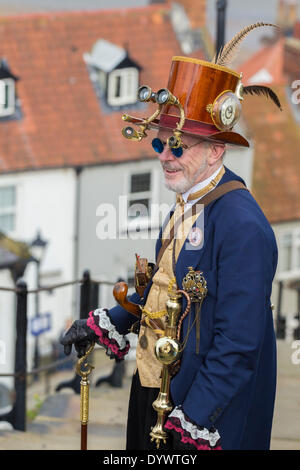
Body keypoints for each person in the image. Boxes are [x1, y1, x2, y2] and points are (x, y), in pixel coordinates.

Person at [61, 23, 281, 450]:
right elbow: (165, 287)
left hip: (202, 415)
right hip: (156, 389)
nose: (165, 156)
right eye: (160, 143)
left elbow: (238, 345)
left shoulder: (242, 227)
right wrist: (109, 321)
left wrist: (193, 418)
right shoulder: (189, 201)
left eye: (178, 146)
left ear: (216, 150)